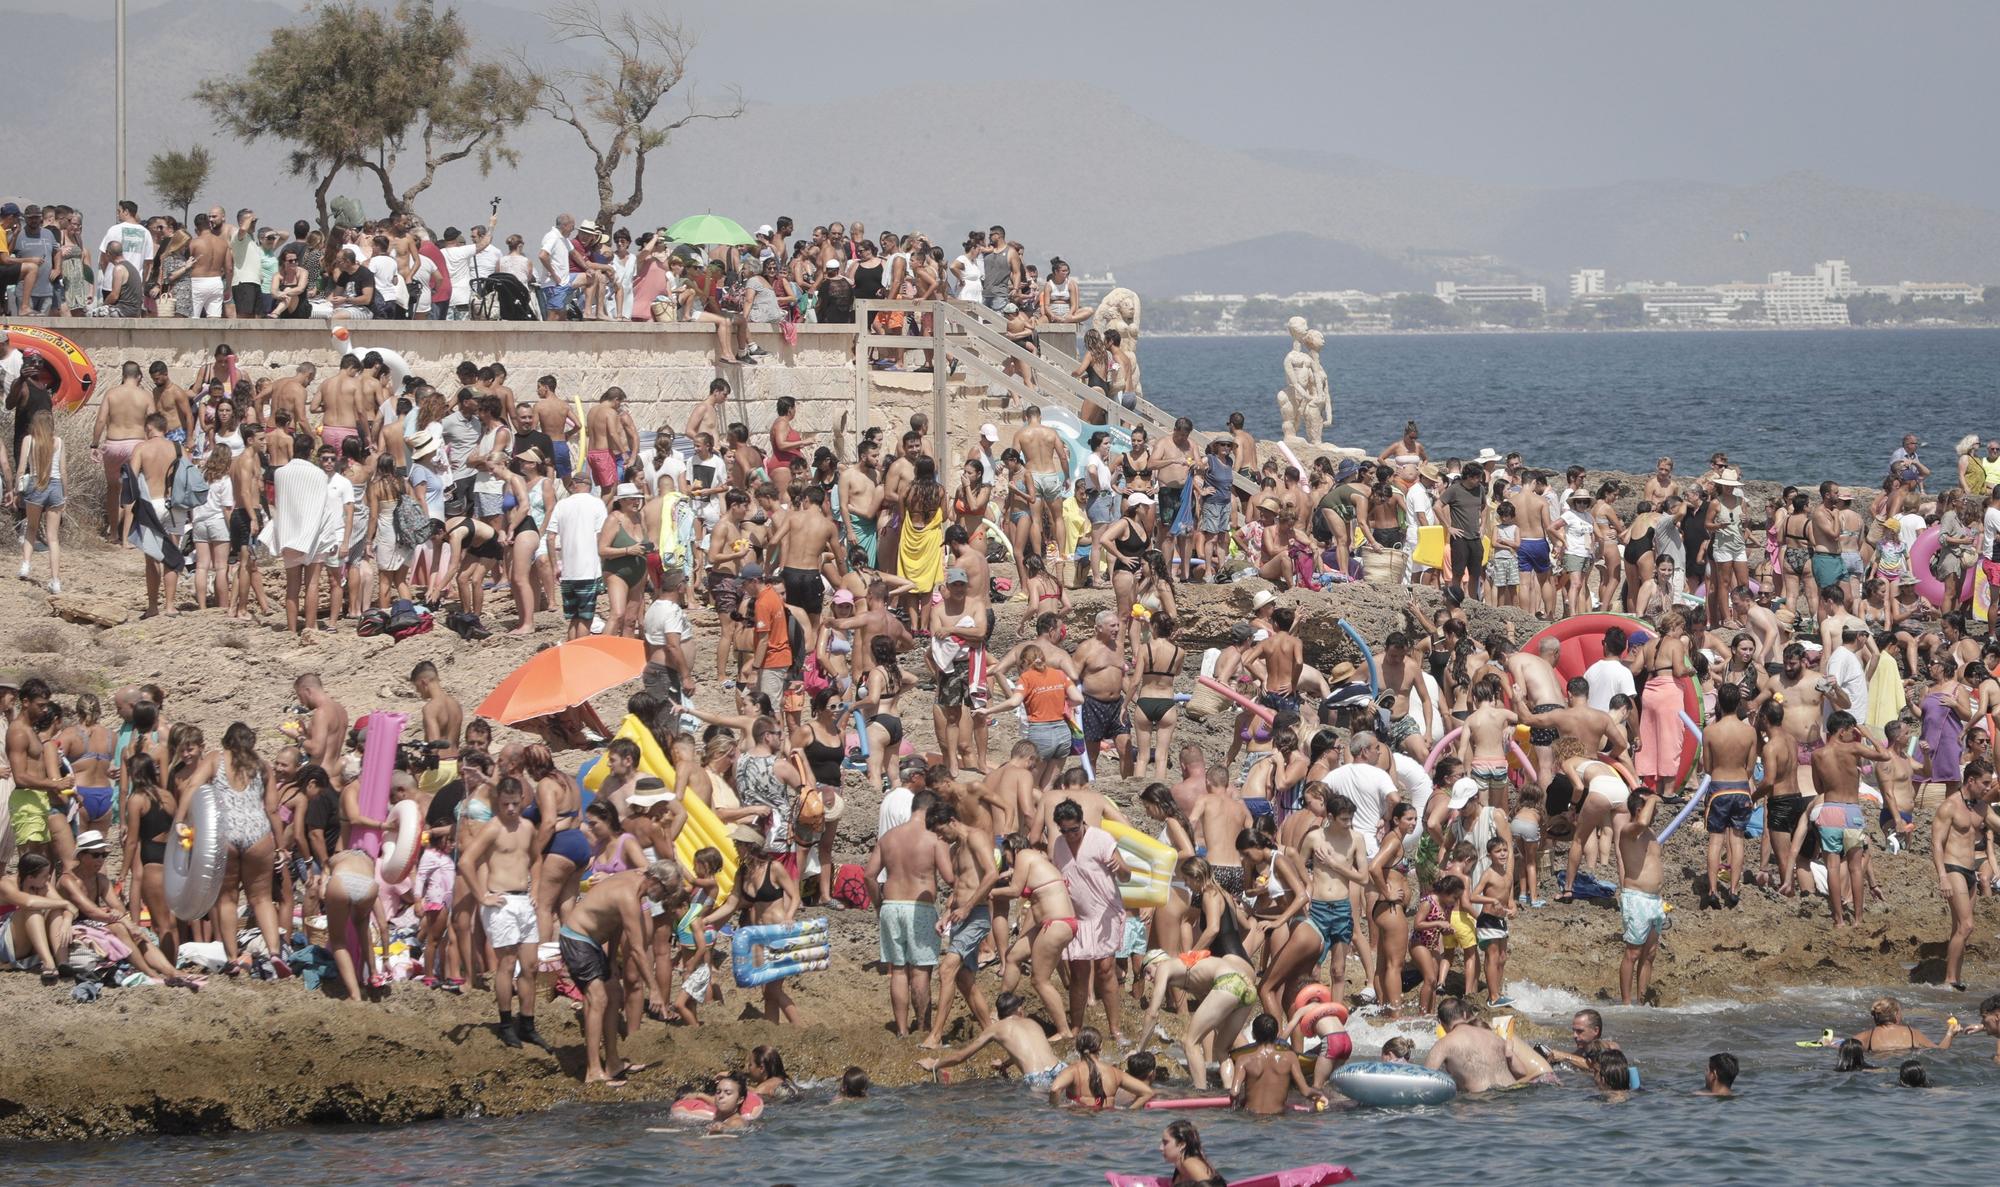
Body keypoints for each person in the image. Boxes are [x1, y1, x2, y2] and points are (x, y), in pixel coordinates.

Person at [556, 861, 683, 1085]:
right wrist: (654, 990)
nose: (664, 897)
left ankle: (613, 1063)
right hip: (576, 940)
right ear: (655, 880)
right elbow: (637, 950)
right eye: (666, 891)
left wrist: (612, 960)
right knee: (598, 999)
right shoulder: (629, 896)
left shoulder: (637, 880)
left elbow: (616, 923)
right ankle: (593, 1071)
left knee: (614, 994)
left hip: (592, 943)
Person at [458, 776, 550, 1051]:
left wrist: (536, 889)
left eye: (514, 803)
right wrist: (481, 896)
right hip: (501, 901)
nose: (510, 809)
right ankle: (506, 1023)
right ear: (498, 802)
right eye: (505, 804)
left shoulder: (528, 827)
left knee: (530, 965)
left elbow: (536, 858)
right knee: (507, 964)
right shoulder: (493, 828)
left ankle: (528, 1024)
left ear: (522, 801)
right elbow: (466, 861)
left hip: (524, 899)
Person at [1051, 799, 1131, 1042]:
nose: (1070, 835)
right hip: (1077, 916)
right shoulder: (1059, 844)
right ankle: (1076, 1027)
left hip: (1105, 912)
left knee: (1105, 970)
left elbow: (1126, 876)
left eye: (1074, 830)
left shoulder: (1101, 839)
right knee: (1078, 972)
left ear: (1082, 822)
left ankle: (1115, 1029)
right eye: (1064, 830)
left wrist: (1120, 867)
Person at [918, 990, 1068, 1088]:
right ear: (1019, 1010)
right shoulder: (1032, 1023)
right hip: (1060, 1069)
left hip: (1036, 1078)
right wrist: (1005, 1064)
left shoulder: (996, 1028)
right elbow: (1033, 1050)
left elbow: (961, 1056)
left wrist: (935, 1065)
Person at [1615, 790, 1665, 1005]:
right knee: (1633, 952)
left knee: (1650, 953)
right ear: (1639, 810)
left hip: (1654, 900)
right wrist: (1652, 797)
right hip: (1636, 898)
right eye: (1653, 807)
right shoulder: (1628, 831)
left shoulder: (1650, 833)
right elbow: (1642, 822)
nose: (1656, 812)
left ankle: (1641, 1002)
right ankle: (1627, 1004)